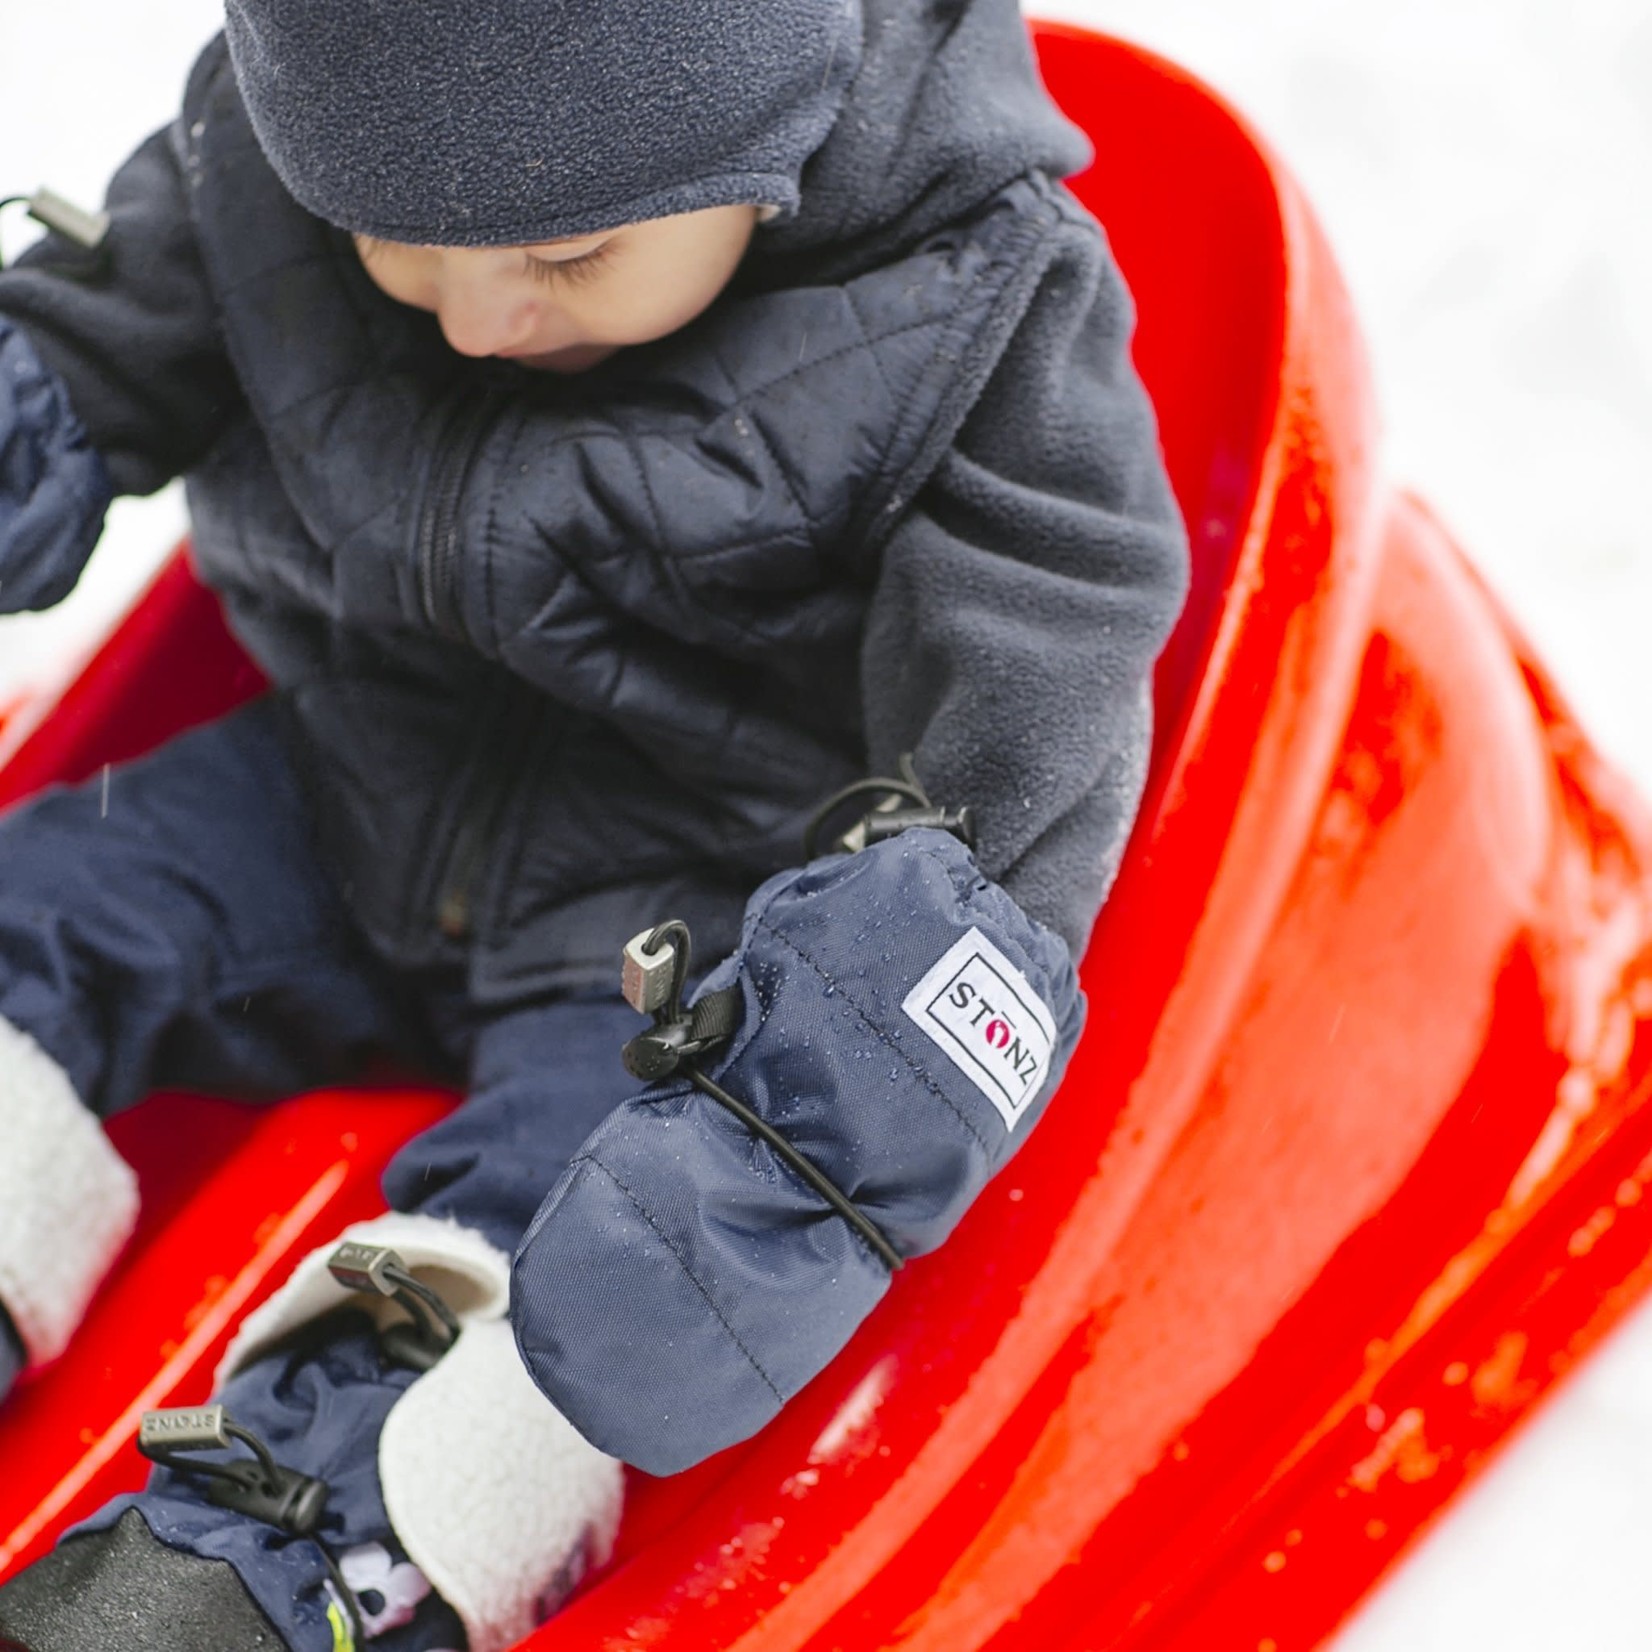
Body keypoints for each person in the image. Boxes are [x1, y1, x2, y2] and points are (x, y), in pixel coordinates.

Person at [0, 0, 1189, 1646]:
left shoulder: (969, 319)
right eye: (394, 241)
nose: (478, 319)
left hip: (686, 930)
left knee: (564, 1257)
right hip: (342, 790)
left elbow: (1012, 788)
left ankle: (298, 1567)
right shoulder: (277, 168)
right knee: (36, 917)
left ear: (758, 141)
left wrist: (798, 1128)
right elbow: (98, 339)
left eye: (571, 253)